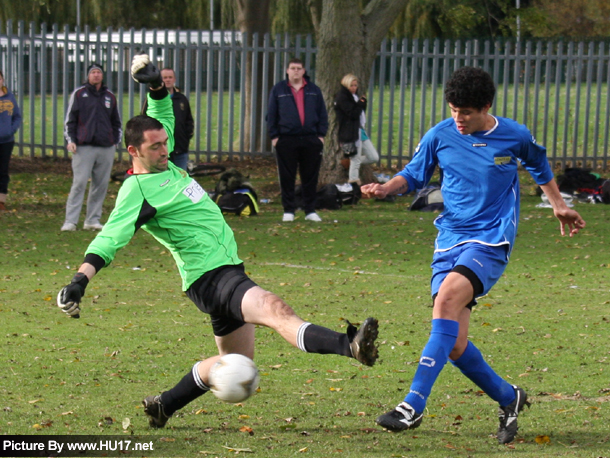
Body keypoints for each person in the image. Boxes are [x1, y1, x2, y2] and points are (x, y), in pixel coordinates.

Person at [56, 55, 379, 429]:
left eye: (165, 143)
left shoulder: (168, 166)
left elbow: (163, 117)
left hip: (222, 271)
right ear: (134, 152)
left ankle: (164, 404)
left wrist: (156, 86)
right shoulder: (137, 189)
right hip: (209, 277)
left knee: (237, 366)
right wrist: (80, 280)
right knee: (275, 308)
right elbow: (110, 237)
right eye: (156, 147)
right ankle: (349, 344)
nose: (165, 149)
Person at [361, 66, 585, 444]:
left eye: (466, 112)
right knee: (455, 343)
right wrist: (387, 188)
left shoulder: (513, 134)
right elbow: (413, 175)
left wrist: (558, 205)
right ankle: (509, 397)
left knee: (446, 301)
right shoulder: (440, 135)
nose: (459, 119)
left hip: (491, 239)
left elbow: (539, 165)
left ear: (486, 106)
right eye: (453, 111)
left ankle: (412, 405)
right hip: (449, 240)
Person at [61, 63, 122, 231]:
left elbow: (116, 122)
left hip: (105, 146)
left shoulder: (109, 96)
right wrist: (71, 140)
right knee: (79, 183)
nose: (96, 75)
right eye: (93, 72)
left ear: (102, 76)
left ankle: (92, 220)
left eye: (98, 72)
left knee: (100, 185)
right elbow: (70, 120)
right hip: (83, 146)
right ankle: (70, 221)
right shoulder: (79, 94)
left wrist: (115, 140)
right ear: (88, 76)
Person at [266, 58, 328, 222]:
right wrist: (275, 137)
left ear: (303, 71)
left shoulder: (314, 90)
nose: (295, 71)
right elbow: (271, 114)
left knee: (310, 176)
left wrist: (320, 136)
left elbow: (322, 113)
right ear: (287, 70)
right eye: (292, 68)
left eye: (298, 68)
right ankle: (289, 210)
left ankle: (310, 210)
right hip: (286, 140)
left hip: (311, 140)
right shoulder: (279, 90)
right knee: (287, 176)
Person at [141, 68, 194, 171]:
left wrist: (186, 137)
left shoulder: (181, 99)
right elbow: (144, 120)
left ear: (174, 79)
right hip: (159, 150)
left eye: (170, 77)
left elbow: (189, 120)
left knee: (180, 182)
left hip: (180, 149)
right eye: (164, 77)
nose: (168, 80)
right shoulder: (152, 99)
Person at [334, 73, 379, 185]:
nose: (354, 88)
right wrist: (360, 104)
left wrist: (361, 103)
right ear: (346, 85)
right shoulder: (342, 97)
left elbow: (359, 112)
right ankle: (353, 182)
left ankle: (348, 162)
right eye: (351, 85)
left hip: (360, 130)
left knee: (373, 157)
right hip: (350, 132)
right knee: (356, 159)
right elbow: (352, 113)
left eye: (355, 85)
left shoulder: (354, 97)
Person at [0, 70, 22, 212]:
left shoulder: (9, 97)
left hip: (6, 141)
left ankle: (1, 200)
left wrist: (11, 130)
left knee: (3, 170)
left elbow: (17, 116)